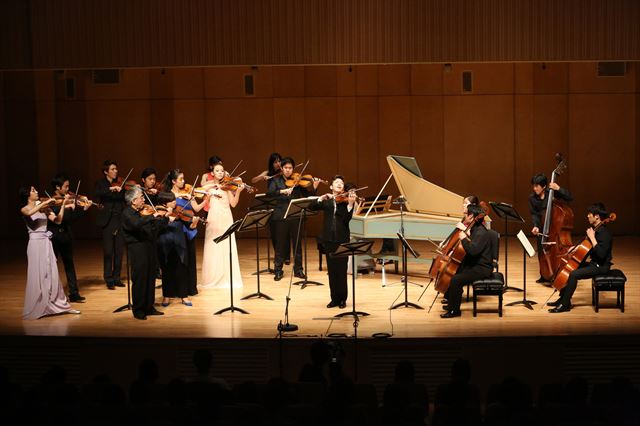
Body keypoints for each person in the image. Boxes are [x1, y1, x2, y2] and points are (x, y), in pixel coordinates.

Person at [19, 186, 80, 319]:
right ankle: (39, 305)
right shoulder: (25, 208)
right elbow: (30, 213)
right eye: (33, 190)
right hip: (35, 244)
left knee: (51, 272)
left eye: (36, 189)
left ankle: (58, 304)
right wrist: (45, 203)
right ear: (27, 195)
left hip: (46, 242)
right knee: (38, 274)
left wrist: (63, 205)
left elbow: (57, 220)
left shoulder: (44, 208)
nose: (36, 192)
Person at [548, 202, 613, 313]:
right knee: (571, 267)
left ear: (597, 216)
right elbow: (586, 248)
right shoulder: (595, 230)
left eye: (590, 214)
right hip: (594, 263)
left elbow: (601, 255)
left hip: (601, 266)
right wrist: (574, 248)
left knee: (573, 275)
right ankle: (563, 299)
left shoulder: (604, 234)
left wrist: (592, 238)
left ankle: (565, 305)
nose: (587, 215)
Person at [121, 186, 174, 320]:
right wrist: (152, 216)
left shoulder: (143, 212)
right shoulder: (127, 213)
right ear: (133, 201)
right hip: (137, 248)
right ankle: (138, 309)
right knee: (140, 279)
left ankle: (149, 307)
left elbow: (154, 228)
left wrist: (165, 218)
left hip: (149, 245)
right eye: (141, 197)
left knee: (150, 277)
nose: (144, 199)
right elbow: (136, 225)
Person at [267, 157, 319, 281]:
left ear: (293, 169)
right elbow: (269, 194)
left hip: (295, 216)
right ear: (282, 168)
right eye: (286, 168)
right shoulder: (276, 180)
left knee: (297, 244)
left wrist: (315, 187)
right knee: (280, 245)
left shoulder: (298, 181)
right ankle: (278, 270)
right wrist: (281, 191)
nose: (288, 170)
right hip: (281, 216)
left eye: (290, 168)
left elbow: (308, 197)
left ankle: (298, 270)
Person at [310, 175, 356, 308]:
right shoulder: (327, 201)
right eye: (336, 182)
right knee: (332, 270)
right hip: (328, 239)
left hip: (342, 239)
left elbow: (347, 219)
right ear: (331, 187)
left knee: (341, 270)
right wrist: (320, 198)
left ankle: (342, 299)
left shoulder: (345, 201)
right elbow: (312, 206)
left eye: (341, 182)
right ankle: (334, 298)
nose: (339, 184)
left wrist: (351, 204)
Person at [441, 204, 493, 318]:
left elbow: (473, 251)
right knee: (455, 271)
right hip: (475, 264)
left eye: (467, 215)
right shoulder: (475, 229)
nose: (465, 217)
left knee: (456, 279)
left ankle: (455, 311)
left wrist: (464, 238)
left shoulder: (481, 232)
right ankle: (452, 303)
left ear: (471, 217)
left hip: (482, 268)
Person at [200, 163, 245, 288]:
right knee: (212, 247)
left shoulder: (228, 187)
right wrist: (214, 187)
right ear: (212, 173)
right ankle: (212, 277)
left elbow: (234, 204)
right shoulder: (209, 187)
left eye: (222, 170)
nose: (220, 172)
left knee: (226, 246)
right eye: (217, 170)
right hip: (213, 219)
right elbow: (202, 193)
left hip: (226, 219)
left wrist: (239, 191)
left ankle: (227, 277)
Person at [48, 174, 91, 303]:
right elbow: (59, 220)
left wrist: (83, 209)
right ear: (57, 187)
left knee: (69, 265)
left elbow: (71, 220)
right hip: (54, 237)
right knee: (51, 266)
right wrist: (65, 207)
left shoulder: (68, 200)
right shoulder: (51, 201)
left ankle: (74, 293)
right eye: (65, 186)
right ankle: (51, 293)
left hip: (66, 235)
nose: (68, 189)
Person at [164, 169, 207, 296]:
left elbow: (196, 208)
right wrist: (179, 196)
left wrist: (206, 200)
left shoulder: (187, 191)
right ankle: (176, 290)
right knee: (178, 260)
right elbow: (167, 203)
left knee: (190, 258)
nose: (183, 181)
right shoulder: (168, 195)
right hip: (176, 229)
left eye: (183, 179)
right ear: (173, 181)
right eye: (181, 179)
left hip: (189, 227)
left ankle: (190, 288)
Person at [528, 173, 573, 283]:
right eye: (533, 186)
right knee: (542, 252)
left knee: (554, 251)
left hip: (554, 228)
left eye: (537, 186)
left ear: (544, 186)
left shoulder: (552, 193)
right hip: (542, 228)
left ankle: (557, 273)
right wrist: (535, 226)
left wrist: (558, 188)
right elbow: (534, 214)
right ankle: (544, 275)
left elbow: (570, 197)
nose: (534, 189)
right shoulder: (532, 198)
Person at [155, 192, 196, 307]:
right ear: (164, 203)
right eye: (172, 201)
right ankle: (166, 296)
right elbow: (157, 228)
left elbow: (189, 225)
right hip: (165, 245)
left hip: (179, 244)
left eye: (174, 200)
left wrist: (194, 223)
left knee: (181, 270)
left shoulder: (178, 212)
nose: (175, 202)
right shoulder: (160, 214)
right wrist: (166, 217)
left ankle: (184, 296)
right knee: (166, 271)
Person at [94, 160, 126, 290]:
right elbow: (97, 193)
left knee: (119, 251)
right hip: (108, 220)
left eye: (116, 169)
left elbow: (125, 198)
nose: (115, 171)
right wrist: (111, 189)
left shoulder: (121, 183)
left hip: (119, 219)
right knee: (108, 251)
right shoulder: (100, 184)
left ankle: (117, 277)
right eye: (112, 169)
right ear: (106, 171)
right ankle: (108, 278)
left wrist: (123, 190)